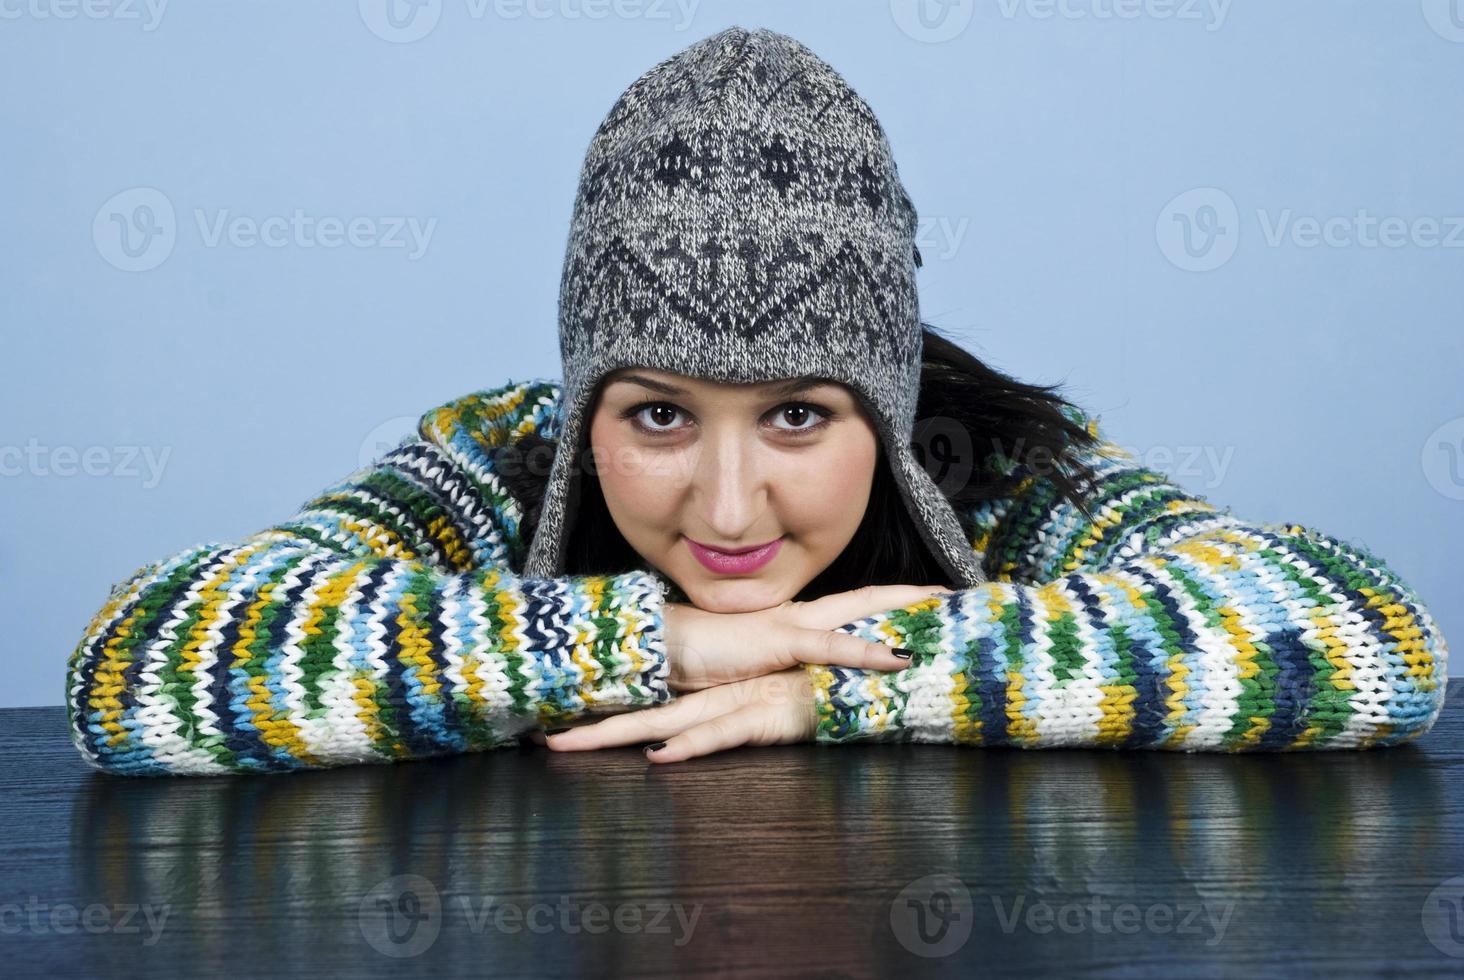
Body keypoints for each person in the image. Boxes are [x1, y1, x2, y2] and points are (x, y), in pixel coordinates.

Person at [65, 26, 1448, 777]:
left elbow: (1367, 638)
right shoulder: (497, 461)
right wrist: (654, 643)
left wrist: (852, 687)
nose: (728, 509)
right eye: (658, 416)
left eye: (799, 416)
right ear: (585, 395)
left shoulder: (998, 469)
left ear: (888, 406)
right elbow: (135, 669)